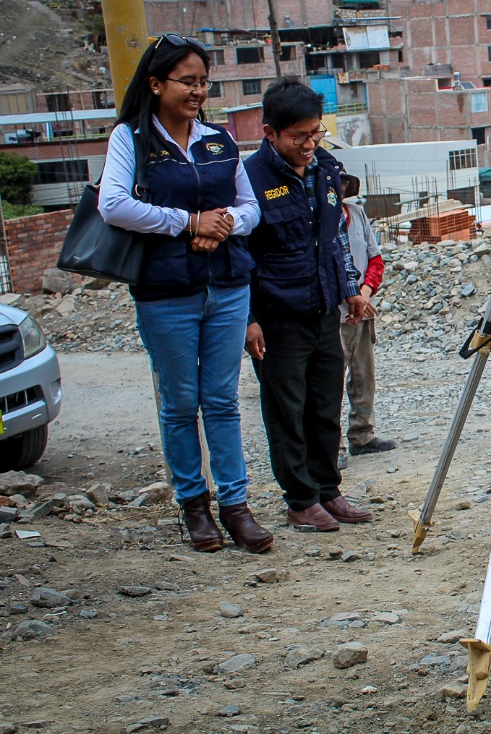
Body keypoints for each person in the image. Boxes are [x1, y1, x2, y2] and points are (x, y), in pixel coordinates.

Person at [98, 34, 272, 554]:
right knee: (179, 403)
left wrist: (220, 226)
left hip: (227, 288)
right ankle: (193, 507)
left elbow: (251, 207)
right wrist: (185, 222)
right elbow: (113, 204)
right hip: (165, 292)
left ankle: (236, 506)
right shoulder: (131, 139)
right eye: (187, 82)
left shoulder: (218, 139)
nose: (197, 91)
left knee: (221, 400)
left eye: (203, 82)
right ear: (156, 84)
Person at [242, 76, 374, 531]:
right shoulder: (248, 180)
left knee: (324, 404)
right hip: (277, 319)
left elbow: (332, 241)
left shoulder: (325, 169)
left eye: (315, 133)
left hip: (323, 309)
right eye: (298, 136)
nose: (308, 144)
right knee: (287, 410)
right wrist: (249, 319)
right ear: (270, 133)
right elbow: (237, 256)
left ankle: (327, 490)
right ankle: (300, 499)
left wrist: (350, 289)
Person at [337, 172, 395, 470]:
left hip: (363, 305)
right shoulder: (321, 218)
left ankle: (362, 434)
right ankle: (333, 444)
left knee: (363, 373)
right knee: (333, 377)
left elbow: (375, 258)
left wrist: (365, 292)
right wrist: (351, 297)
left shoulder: (357, 214)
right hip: (336, 309)